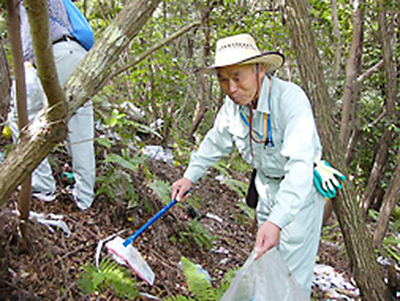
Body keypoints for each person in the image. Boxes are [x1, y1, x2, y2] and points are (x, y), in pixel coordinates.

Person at [172, 33, 326, 297]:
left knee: (292, 276)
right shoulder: (233, 107)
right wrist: (189, 177)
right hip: (265, 188)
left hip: (299, 195)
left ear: (260, 70)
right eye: (223, 79)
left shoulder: (290, 100)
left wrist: (277, 221)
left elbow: (300, 166)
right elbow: (214, 142)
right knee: (266, 266)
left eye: (237, 77)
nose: (231, 88)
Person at [8, 0, 95, 210]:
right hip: (76, 55)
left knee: (20, 118)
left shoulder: (27, 4)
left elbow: (32, 37)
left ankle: (42, 186)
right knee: (80, 128)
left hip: (51, 55)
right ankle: (84, 198)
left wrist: (25, 65)